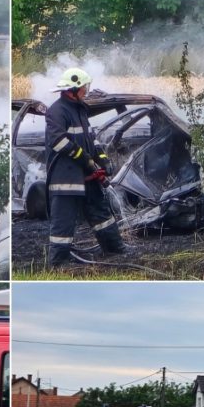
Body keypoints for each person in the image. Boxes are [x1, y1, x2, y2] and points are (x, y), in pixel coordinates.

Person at [44, 67, 125, 266]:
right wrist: (86, 161)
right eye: (83, 87)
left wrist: (103, 160)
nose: (86, 90)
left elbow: (92, 140)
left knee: (102, 214)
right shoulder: (56, 111)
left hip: (87, 178)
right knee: (63, 222)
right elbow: (60, 143)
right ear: (72, 90)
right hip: (67, 179)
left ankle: (115, 250)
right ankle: (59, 263)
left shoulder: (81, 109)